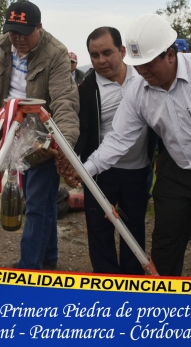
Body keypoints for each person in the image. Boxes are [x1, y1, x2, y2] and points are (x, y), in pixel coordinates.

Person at [58, 13, 191, 278]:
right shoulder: (139, 90)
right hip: (177, 170)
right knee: (165, 244)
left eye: (148, 64)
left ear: (170, 54)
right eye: (138, 66)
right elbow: (119, 138)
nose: (142, 72)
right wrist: (85, 169)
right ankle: (162, 304)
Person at [0, 0, 80, 270]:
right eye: (13, 32)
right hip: (9, 130)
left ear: (40, 28)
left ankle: (28, 267)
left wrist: (64, 148)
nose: (18, 39)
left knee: (35, 201)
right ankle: (48, 259)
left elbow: (65, 102)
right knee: (41, 200)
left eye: (24, 33)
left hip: (42, 137)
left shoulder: (56, 53)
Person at [74, 26, 155, 275]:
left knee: (134, 227)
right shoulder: (86, 90)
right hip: (101, 169)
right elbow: (81, 131)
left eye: (107, 53)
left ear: (122, 51)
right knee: (99, 229)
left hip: (138, 168)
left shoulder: (144, 79)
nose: (101, 60)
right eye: (94, 55)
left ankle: (132, 279)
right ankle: (107, 279)